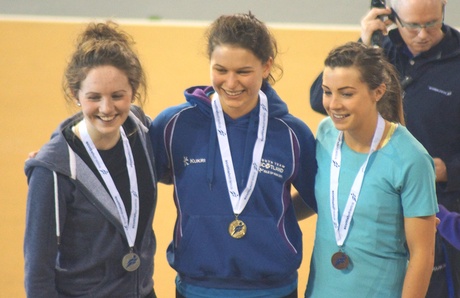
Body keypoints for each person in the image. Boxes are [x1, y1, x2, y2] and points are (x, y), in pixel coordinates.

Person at [150, 12, 317, 298]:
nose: (231, 82)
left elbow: (318, 198)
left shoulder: (292, 133)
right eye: (220, 69)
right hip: (197, 287)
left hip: (274, 289)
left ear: (266, 67)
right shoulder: (173, 126)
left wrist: (273, 221)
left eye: (243, 71)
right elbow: (132, 176)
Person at [309, 1, 460, 297]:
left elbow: (421, 257)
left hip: (439, 211)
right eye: (412, 25)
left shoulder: (410, 156)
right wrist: (362, 43)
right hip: (373, 202)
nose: (422, 34)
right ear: (391, 16)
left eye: (432, 22)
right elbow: (321, 101)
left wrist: (449, 170)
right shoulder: (379, 53)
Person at [24, 21, 157, 297]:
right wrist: (51, 157)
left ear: (132, 91)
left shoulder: (141, 131)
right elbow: (38, 273)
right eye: (94, 97)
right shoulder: (53, 171)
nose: (107, 108)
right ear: (76, 95)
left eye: (117, 96)